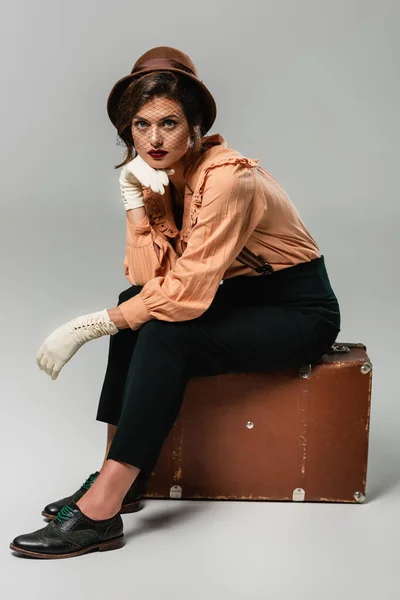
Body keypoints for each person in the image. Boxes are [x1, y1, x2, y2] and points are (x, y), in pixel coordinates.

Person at [10, 46, 341, 559]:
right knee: (136, 310)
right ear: (128, 131)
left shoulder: (228, 176)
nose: (155, 139)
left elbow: (184, 294)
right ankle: (120, 481)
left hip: (297, 311)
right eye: (141, 126)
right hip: (238, 297)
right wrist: (134, 203)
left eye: (169, 123)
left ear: (194, 127)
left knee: (162, 329)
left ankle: (101, 511)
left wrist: (92, 325)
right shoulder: (158, 178)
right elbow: (148, 282)